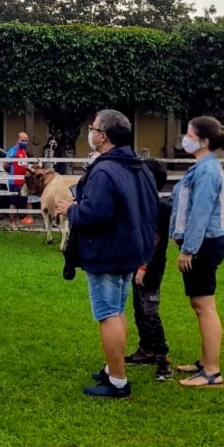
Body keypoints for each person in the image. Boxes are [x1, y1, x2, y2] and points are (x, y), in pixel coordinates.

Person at [56, 110, 158, 400]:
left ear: (103, 136)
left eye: (93, 128)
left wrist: (71, 210)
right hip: (130, 249)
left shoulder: (104, 170)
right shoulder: (138, 166)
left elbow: (96, 212)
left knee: (108, 314)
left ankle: (117, 381)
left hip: (107, 251)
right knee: (118, 310)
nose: (90, 132)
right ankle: (112, 366)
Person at [171, 116, 224, 390]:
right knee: (199, 305)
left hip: (204, 243)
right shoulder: (203, 167)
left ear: (203, 141)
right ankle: (204, 362)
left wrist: (188, 250)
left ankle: (212, 372)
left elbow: (200, 213)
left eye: (188, 134)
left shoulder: (208, 171)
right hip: (203, 242)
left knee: (205, 306)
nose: (184, 138)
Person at [126, 159, 174, 383]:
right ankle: (146, 349)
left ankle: (163, 357)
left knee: (150, 310)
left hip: (151, 268)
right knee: (138, 308)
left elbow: (155, 238)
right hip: (136, 265)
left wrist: (143, 267)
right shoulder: (140, 205)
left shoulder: (159, 207)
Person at [4, 131, 35, 228]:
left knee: (19, 203)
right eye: (22, 140)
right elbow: (5, 164)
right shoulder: (13, 150)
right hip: (14, 181)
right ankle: (12, 222)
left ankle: (16, 222)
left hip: (22, 181)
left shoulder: (24, 152)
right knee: (13, 202)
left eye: (26, 141)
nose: (24, 142)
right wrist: (12, 173)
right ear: (18, 140)